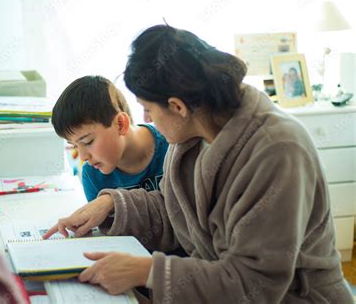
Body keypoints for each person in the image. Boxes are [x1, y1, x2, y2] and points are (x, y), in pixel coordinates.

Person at [44, 25, 352, 303]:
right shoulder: (192, 134)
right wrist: (111, 204)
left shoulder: (277, 151)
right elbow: (176, 210)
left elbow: (253, 284)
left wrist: (148, 271)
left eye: (148, 109)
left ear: (177, 106)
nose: (147, 120)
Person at [51, 75, 168, 202]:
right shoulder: (92, 175)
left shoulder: (172, 145)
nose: (83, 157)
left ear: (120, 124)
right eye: (75, 146)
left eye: (87, 142)